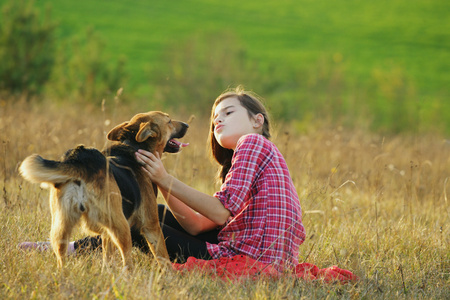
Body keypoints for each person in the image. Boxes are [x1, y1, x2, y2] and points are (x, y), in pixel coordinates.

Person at [19, 86, 306, 270]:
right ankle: (74, 247)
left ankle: (68, 248)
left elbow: (220, 214)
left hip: (249, 259)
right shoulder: (256, 157)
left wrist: (166, 180)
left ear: (258, 120)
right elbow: (195, 226)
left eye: (228, 112)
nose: (218, 120)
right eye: (214, 118)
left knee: (136, 223)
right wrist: (158, 181)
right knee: (153, 214)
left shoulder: (252, 144)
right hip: (261, 253)